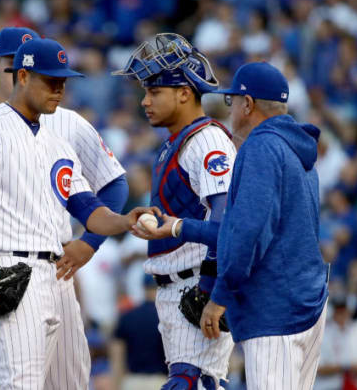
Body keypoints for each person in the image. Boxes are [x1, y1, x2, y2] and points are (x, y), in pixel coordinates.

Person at [0, 27, 128, 389]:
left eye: (63, 82)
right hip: (5, 268)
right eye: (51, 82)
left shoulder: (55, 139)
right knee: (18, 383)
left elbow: (89, 208)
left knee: (67, 381)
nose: (60, 90)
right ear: (21, 75)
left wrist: (127, 221)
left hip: (53, 273)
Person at [114, 33, 235, 389]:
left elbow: (226, 216)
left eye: (155, 92)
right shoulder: (177, 140)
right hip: (176, 285)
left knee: (190, 382)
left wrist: (212, 287)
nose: (144, 101)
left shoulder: (208, 140)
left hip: (196, 282)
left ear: (184, 92)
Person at [200, 61, 329, 390]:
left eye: (232, 102)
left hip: (274, 310)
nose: (230, 111)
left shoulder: (261, 146)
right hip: (306, 302)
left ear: (248, 104)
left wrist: (221, 295)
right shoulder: (298, 148)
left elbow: (250, 231)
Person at [111, 275, 168, 390]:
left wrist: (116, 384)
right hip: (160, 381)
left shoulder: (127, 316)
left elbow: (117, 358)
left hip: (132, 382)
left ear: (143, 287)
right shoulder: (167, 318)